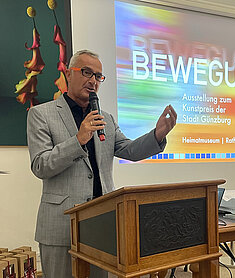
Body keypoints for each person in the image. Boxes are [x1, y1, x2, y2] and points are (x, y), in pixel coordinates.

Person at [27, 49, 177, 278]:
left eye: (98, 76)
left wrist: (156, 135)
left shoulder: (105, 118)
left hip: (102, 224)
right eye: (87, 72)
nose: (93, 81)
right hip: (61, 224)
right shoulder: (41, 114)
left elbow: (129, 150)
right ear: (69, 73)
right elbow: (41, 165)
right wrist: (78, 140)